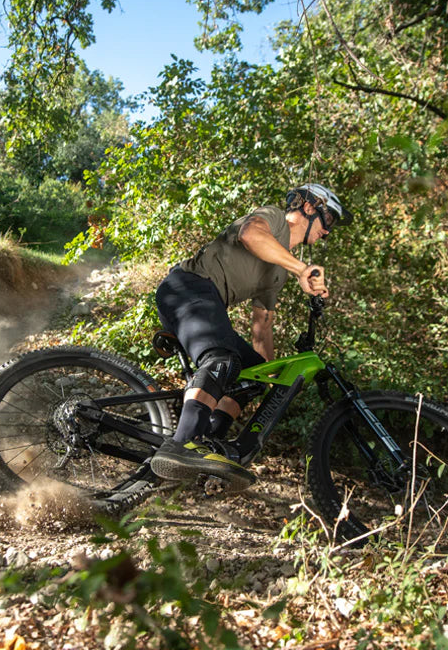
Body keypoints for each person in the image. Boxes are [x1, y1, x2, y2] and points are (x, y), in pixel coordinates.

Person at [149, 183, 353, 490]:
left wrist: (272, 376)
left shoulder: (279, 272)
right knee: (222, 359)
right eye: (330, 221)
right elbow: (250, 235)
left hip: (205, 303)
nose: (328, 232)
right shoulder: (272, 219)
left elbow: (262, 326)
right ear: (309, 208)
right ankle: (181, 444)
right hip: (188, 288)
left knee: (250, 376)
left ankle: (207, 445)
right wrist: (301, 269)